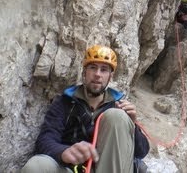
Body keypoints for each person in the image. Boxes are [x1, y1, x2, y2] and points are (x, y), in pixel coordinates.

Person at [21, 45, 150, 173]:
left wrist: (132, 125)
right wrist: (63, 152)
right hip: (72, 168)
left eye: (104, 70)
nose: (97, 74)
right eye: (93, 68)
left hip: (109, 168)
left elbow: (142, 151)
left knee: (117, 116)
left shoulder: (119, 106)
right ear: (84, 72)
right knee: (36, 166)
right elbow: (45, 140)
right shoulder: (65, 102)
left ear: (110, 76)